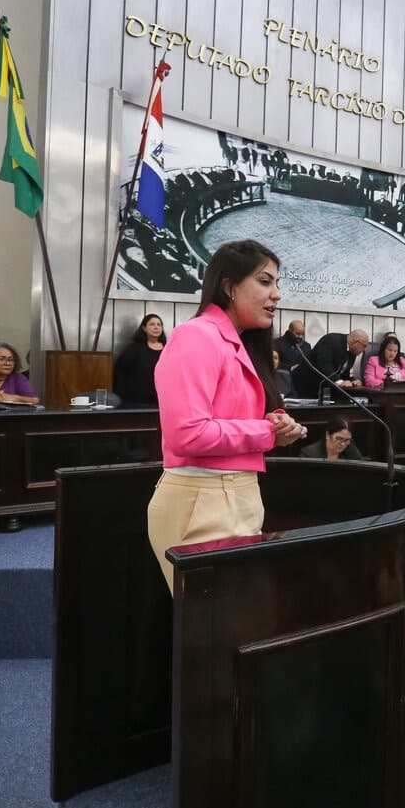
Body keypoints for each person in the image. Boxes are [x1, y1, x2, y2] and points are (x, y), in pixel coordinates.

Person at [146, 239, 307, 591]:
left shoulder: (239, 342)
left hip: (239, 495)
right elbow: (187, 434)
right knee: (220, 620)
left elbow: (238, 415)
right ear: (229, 286)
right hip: (200, 501)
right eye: (264, 281)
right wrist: (266, 433)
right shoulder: (196, 336)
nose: (277, 294)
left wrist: (277, 423)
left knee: (238, 619)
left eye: (277, 283)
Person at [112, 314, 165, 407]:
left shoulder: (168, 348)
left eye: (159, 324)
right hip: (138, 401)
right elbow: (120, 371)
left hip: (162, 399)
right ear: (144, 328)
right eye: (152, 324)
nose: (156, 327)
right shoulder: (134, 348)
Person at [306, 327, 368, 392]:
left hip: (326, 388)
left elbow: (344, 373)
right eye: (364, 346)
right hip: (309, 385)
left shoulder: (352, 351)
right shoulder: (331, 340)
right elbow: (325, 365)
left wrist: (353, 381)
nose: (364, 350)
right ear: (356, 343)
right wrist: (339, 381)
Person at [297, 416, 363, 460]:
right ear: (327, 435)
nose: (343, 444)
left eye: (347, 440)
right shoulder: (308, 454)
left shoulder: (351, 449)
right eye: (339, 439)